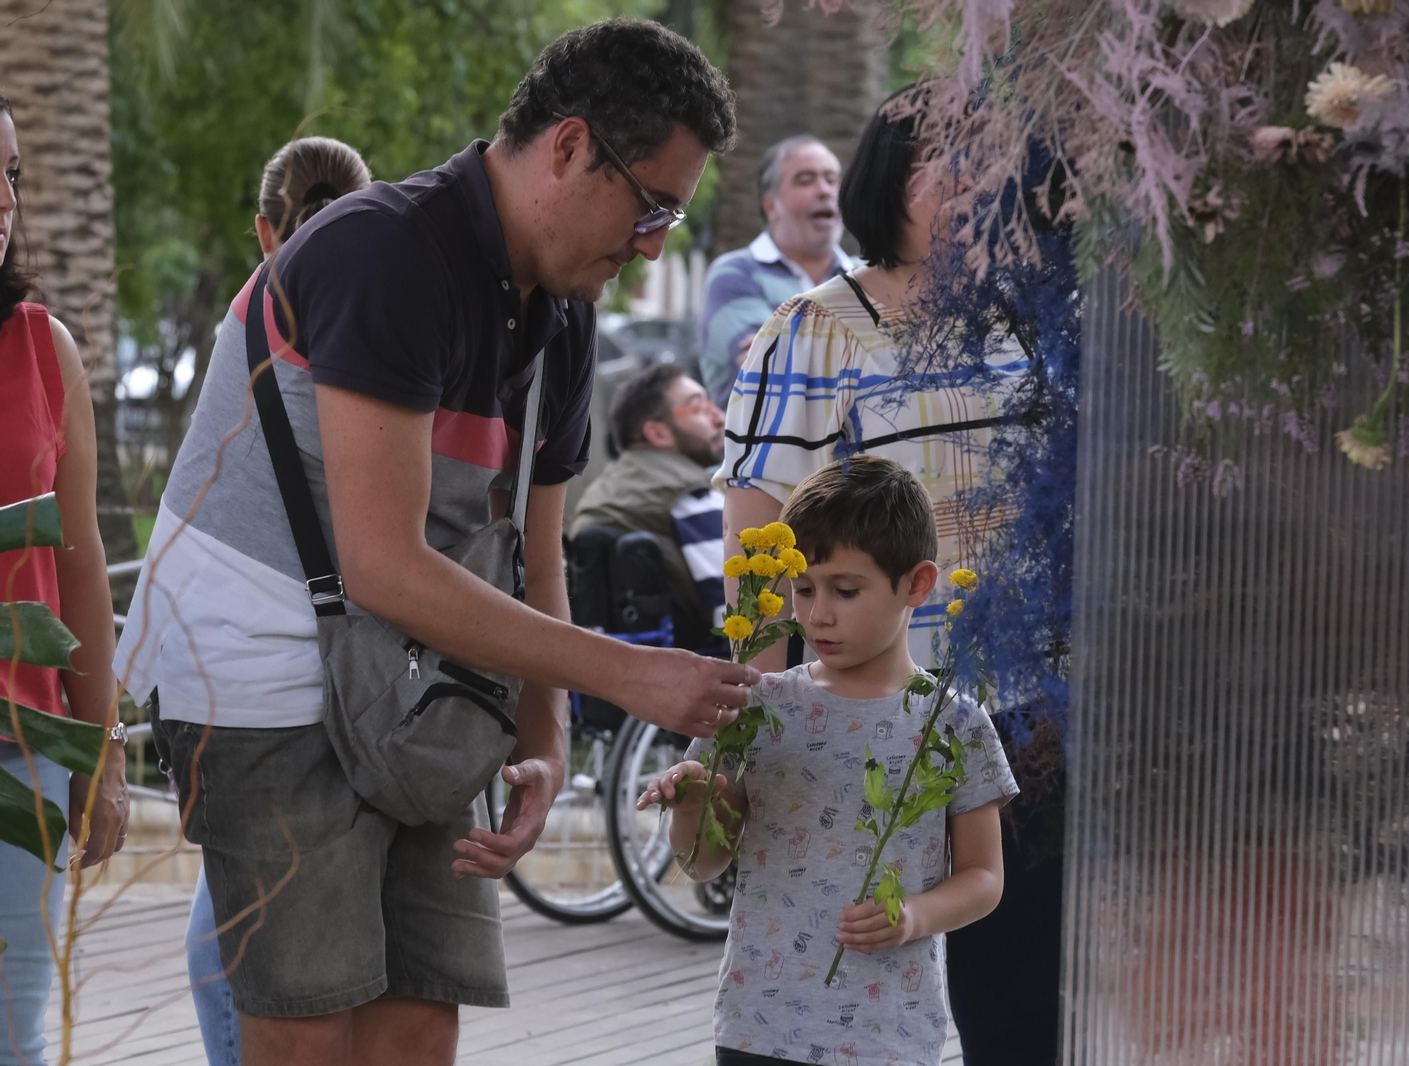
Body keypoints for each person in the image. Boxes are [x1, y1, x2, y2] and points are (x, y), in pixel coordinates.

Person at [111, 21, 756, 1065]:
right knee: (311, 1023)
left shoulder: (566, 308)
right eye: (652, 208)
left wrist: (546, 739)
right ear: (569, 146)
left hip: (410, 673)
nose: (653, 245)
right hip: (259, 667)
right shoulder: (386, 251)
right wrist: (631, 675)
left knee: (420, 1018)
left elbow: (536, 559)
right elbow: (385, 563)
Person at [716, 87, 1058, 1063]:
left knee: (1027, 1011)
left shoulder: (1035, 322)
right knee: (863, 998)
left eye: (989, 160)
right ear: (881, 179)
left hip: (1036, 719)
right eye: (938, 160)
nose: (968, 182)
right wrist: (750, 735)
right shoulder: (813, 330)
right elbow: (758, 557)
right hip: (878, 725)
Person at [637, 455, 1018, 1066]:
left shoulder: (956, 724)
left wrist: (915, 915)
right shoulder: (755, 708)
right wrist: (693, 804)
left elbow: (984, 879)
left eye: (845, 590)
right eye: (803, 588)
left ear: (918, 585)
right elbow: (702, 863)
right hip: (758, 1024)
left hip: (887, 1033)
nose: (817, 614)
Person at [180, 134, 373, 1066]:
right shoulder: (380, 313)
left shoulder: (258, 308)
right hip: (367, 661)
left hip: (258, 671)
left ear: (266, 229)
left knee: (237, 955)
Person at [0, 90, 128, 1066]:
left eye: (10, 175)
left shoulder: (46, 350)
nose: (3, 197)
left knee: (14, 1032)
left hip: (23, 749)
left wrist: (105, 757)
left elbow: (79, 566)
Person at [698, 135, 855, 408]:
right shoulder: (733, 275)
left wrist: (791, 346)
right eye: (805, 180)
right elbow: (770, 368)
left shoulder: (869, 275)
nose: (824, 191)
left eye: (832, 179)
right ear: (771, 206)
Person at [571, 362, 727, 636]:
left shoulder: (602, 493)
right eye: (699, 406)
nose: (719, 417)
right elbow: (736, 611)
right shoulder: (690, 493)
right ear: (658, 433)